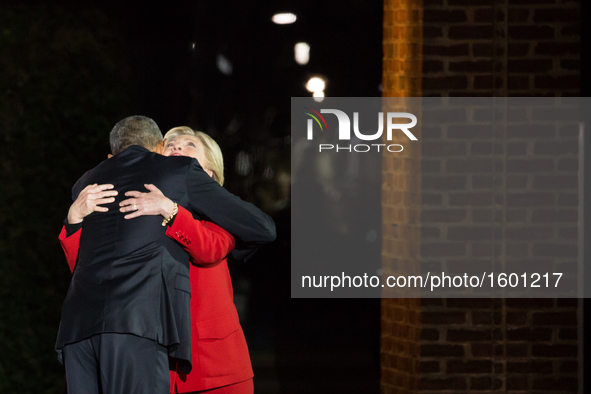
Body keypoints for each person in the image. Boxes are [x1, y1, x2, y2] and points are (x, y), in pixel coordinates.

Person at [56, 116, 275, 394]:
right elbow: (92, 267)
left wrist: (171, 212)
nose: (177, 149)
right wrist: (73, 220)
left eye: (189, 145)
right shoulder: (148, 199)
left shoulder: (216, 218)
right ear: (158, 151)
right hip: (160, 356)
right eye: (171, 144)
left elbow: (210, 248)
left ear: (207, 172)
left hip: (209, 367)